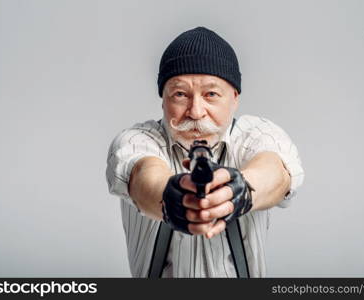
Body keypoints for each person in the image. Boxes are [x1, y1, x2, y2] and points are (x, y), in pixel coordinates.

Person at [106, 26, 305, 278]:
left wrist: (241, 189)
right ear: (163, 99)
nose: (196, 111)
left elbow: (276, 170)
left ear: (234, 98)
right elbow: (144, 174)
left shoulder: (256, 135)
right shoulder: (138, 139)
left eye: (211, 94)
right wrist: (170, 198)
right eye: (180, 94)